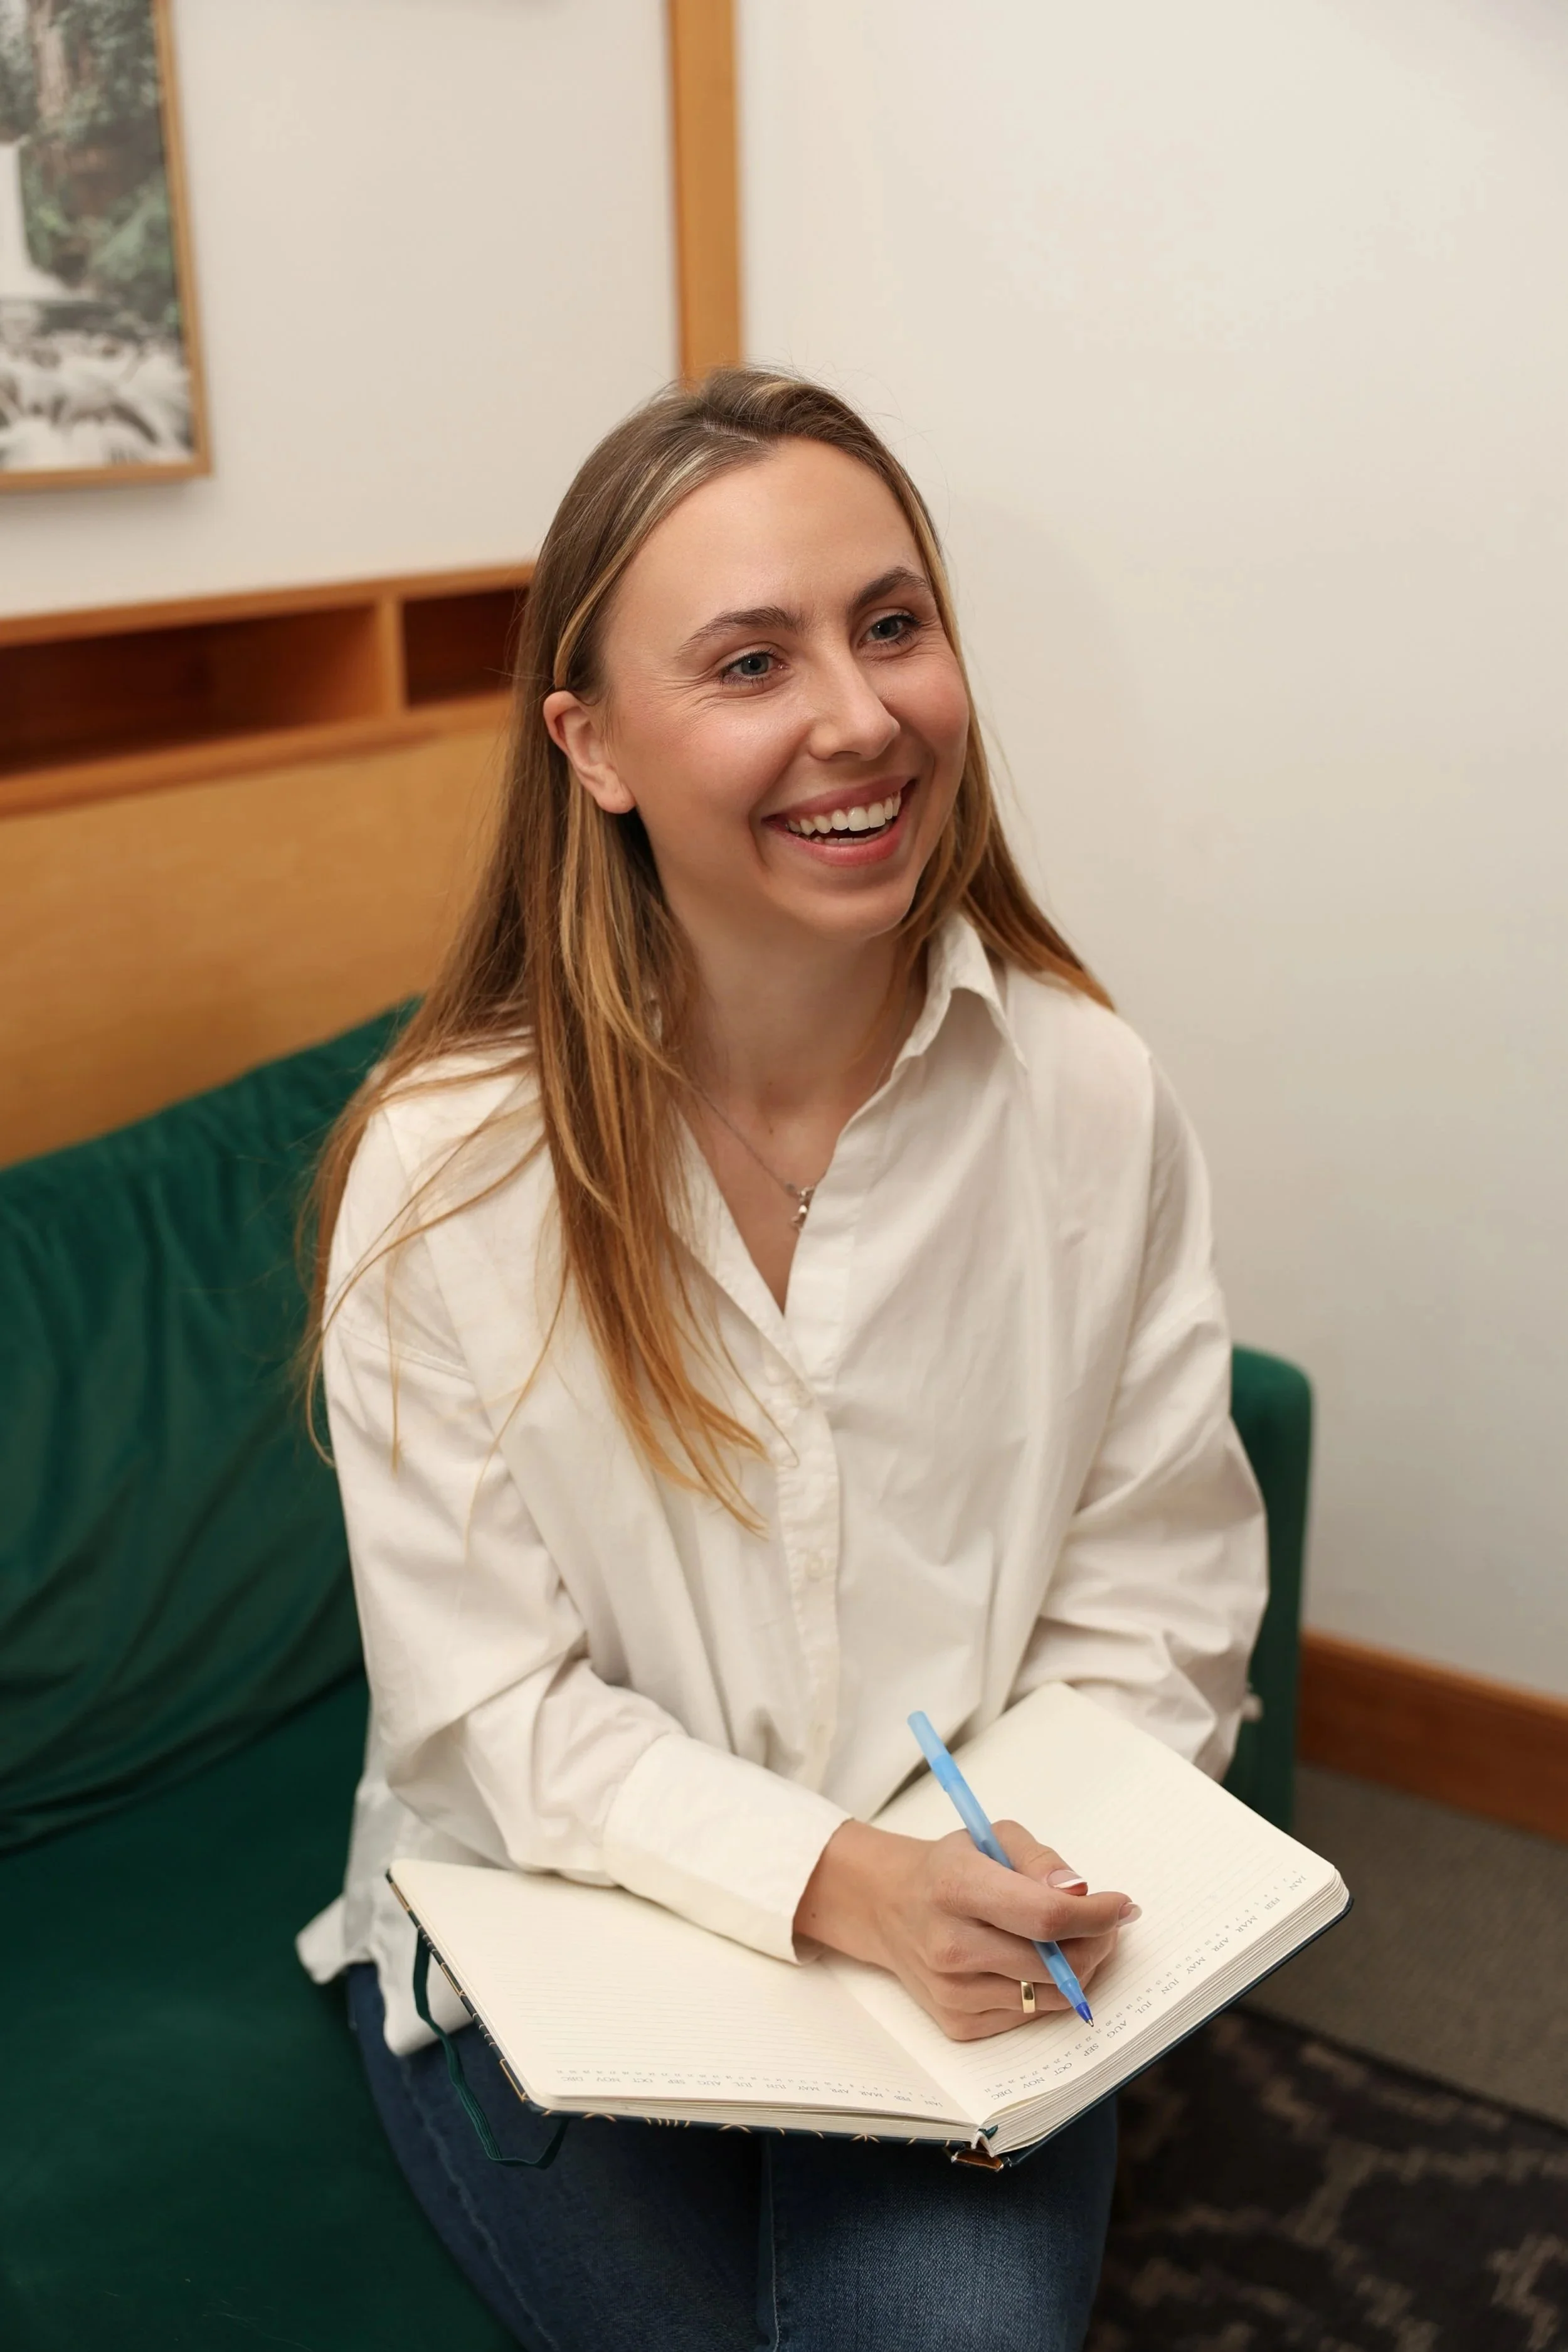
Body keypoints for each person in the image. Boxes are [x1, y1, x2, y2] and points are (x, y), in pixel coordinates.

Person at [295, 369, 1266, 2351]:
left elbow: (1160, 1586)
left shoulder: (1087, 1092)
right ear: (592, 745)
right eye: (751, 660)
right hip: (564, 1921)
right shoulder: (445, 1173)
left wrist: (1004, 1874)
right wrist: (836, 1877)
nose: (857, 712)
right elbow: (485, 1716)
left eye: (890, 624)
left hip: (970, 1926)